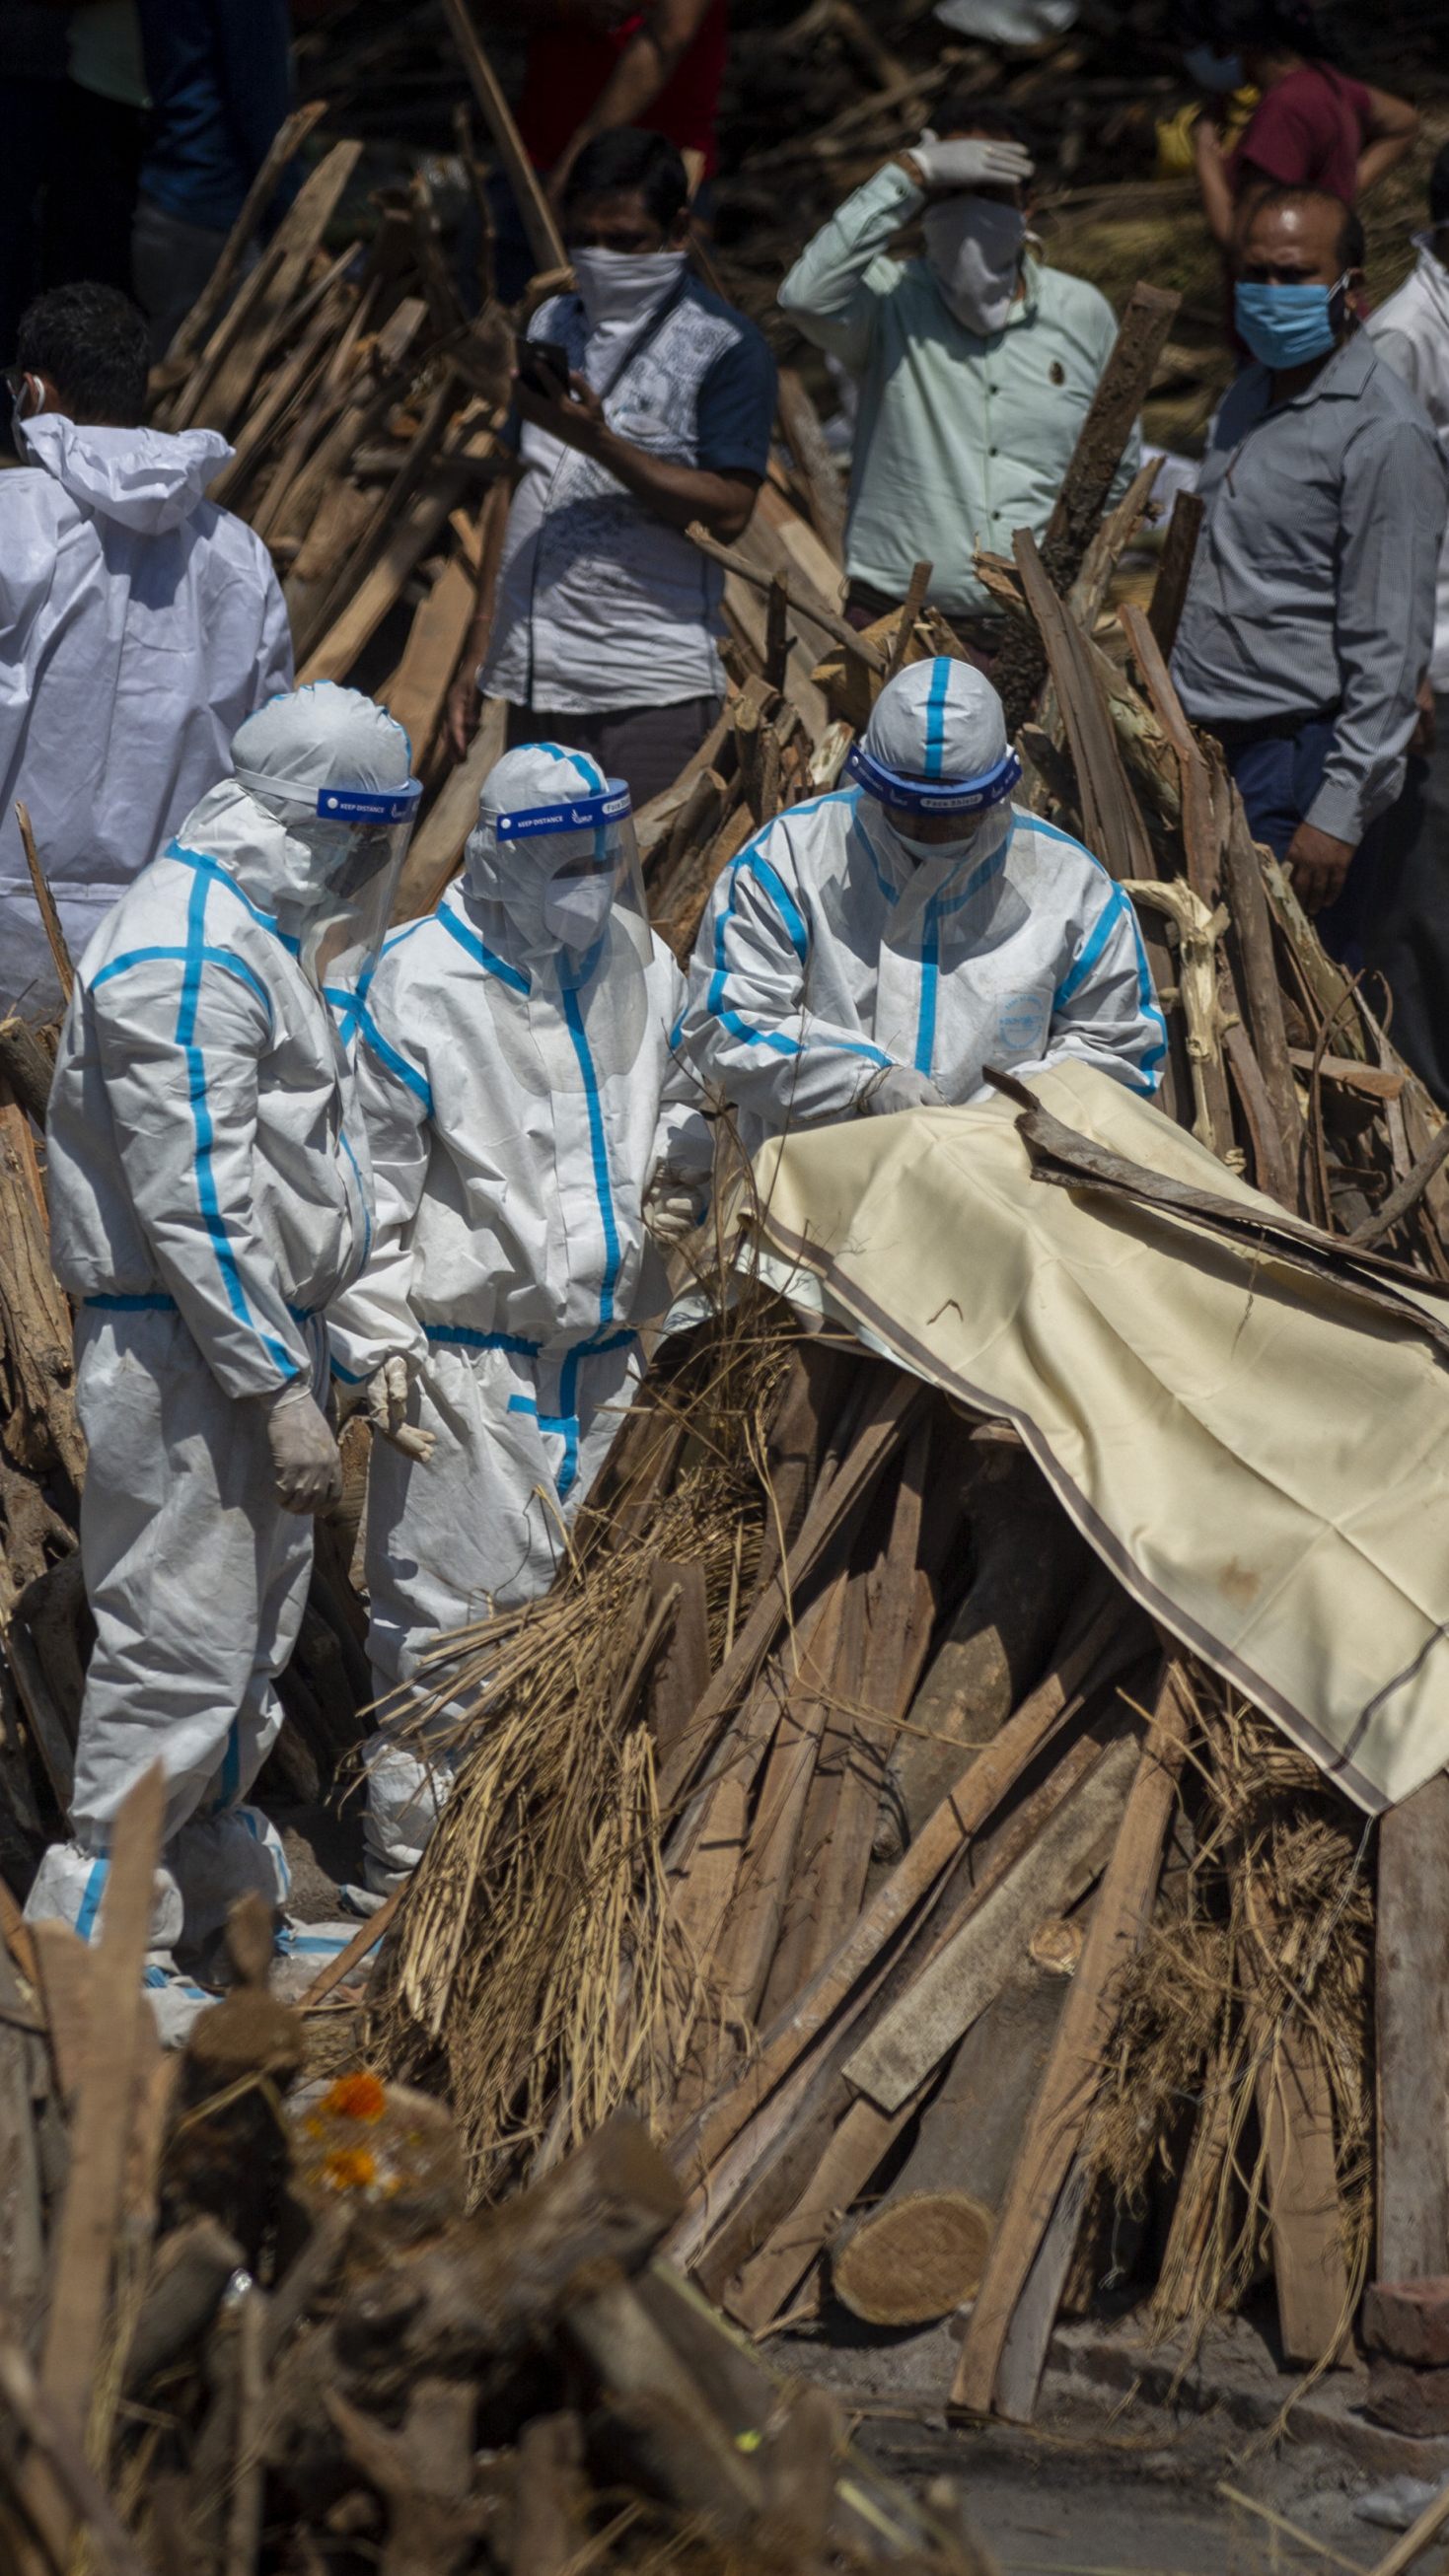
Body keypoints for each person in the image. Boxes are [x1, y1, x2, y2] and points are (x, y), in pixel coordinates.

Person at [25, 686, 421, 2025]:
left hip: (238, 1340)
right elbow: (193, 1199)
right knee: (180, 1640)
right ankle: (98, 1933)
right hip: (187, 1351)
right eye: (356, 839)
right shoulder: (185, 957)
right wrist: (269, 1381)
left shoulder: (244, 936)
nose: (366, 869)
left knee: (244, 1644)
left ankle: (202, 1909)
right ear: (304, 826)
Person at [326, 742, 709, 1895]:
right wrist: (378, 1337)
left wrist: (682, 1192)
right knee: (448, 1630)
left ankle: (550, 1887)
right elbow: (365, 1191)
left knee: (599, 1627)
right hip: (464, 1363)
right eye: (559, 861)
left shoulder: (637, 958)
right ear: (495, 863)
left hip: (612, 1360)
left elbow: (684, 1106)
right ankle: (418, 1888)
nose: (588, 880)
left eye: (602, 856)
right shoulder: (417, 983)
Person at [681, 657, 1167, 1152]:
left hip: (1006, 1187)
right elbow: (730, 1022)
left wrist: (1007, 1118)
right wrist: (865, 1084)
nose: (934, 832)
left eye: (958, 816)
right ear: (869, 783)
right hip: (821, 1186)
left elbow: (1120, 1049)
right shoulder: (788, 861)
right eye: (911, 812)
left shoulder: (1070, 884)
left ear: (999, 789)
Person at [449, 127, 774, 816]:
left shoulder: (726, 348)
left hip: (647, 688)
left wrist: (599, 443)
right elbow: (517, 483)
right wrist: (482, 645)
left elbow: (729, 510)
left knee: (635, 901)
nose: (600, 259)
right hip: (536, 681)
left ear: (677, 230)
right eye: (585, 240)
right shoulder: (552, 321)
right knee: (532, 894)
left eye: (624, 240)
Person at [0, 282, 293, 1018]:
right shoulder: (237, 551)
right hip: (168, 940)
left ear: (31, 391)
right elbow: (271, 757)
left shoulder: (12, 521)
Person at [1172, 186, 1447, 949]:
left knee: (1285, 1001)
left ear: (1349, 289)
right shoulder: (1249, 391)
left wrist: (1337, 813)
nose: (1268, 294)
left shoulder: (1382, 432)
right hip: (1206, 743)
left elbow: (1389, 650)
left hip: (1295, 763)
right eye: (1253, 273)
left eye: (1293, 276)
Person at [777, 100, 1136, 654]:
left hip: (1037, 638)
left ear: (1028, 205)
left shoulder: (1080, 312)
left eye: (989, 193)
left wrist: (1078, 579)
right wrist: (909, 172)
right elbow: (804, 296)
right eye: (952, 191)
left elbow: (1118, 460)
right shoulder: (887, 301)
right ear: (925, 206)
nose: (970, 212)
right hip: (898, 629)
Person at [1360, 145, 1449, 1105]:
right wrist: (1407, 667)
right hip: (1435, 663)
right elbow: (1387, 521)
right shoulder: (1404, 336)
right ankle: (1423, 1097)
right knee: (1422, 901)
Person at [133, 0, 292, 358]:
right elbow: (260, 97)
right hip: (217, 212)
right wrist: (291, 209)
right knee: (210, 389)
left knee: (166, 374)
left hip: (164, 203)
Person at [1191, 1, 1417, 251]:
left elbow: (1244, 238)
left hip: (1279, 288)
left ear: (1245, 47)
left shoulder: (1284, 108)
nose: (1215, 58)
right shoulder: (1325, 83)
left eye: (1220, 51)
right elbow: (1403, 121)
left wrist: (1205, 154)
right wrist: (1339, 193)